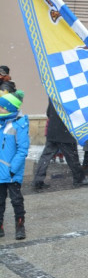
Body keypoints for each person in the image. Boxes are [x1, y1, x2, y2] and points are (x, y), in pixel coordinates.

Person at [33, 100, 88, 191]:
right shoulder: (70, 96)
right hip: (65, 132)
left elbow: (48, 113)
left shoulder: (54, 93)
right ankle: (79, 179)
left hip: (53, 130)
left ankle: (38, 180)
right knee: (72, 157)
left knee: (46, 157)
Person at [0, 91, 29, 240]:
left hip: (12, 172)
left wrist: (13, 169)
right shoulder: (0, 123)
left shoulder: (19, 125)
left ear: (10, 109)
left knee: (16, 200)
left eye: (2, 107)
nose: (0, 108)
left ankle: (20, 226)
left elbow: (22, 150)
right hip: (0, 171)